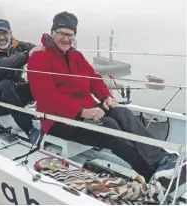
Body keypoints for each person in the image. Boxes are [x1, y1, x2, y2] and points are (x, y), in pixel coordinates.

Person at [27, 11, 186, 182]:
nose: (66, 39)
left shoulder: (76, 56)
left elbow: (94, 79)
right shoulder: (40, 57)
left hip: (87, 111)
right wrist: (82, 112)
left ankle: (162, 159)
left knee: (122, 113)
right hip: (58, 119)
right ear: (52, 33)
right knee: (108, 126)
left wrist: (105, 97)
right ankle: (153, 175)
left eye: (70, 35)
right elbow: (45, 96)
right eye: (62, 34)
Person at [0, 19, 43, 143]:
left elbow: (37, 50)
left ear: (10, 34)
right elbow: (1, 67)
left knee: (38, 84)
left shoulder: (18, 45)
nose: (2, 37)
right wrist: (26, 56)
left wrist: (52, 47)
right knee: (5, 84)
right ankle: (30, 130)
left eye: (5, 33)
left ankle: (49, 121)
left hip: (15, 96)